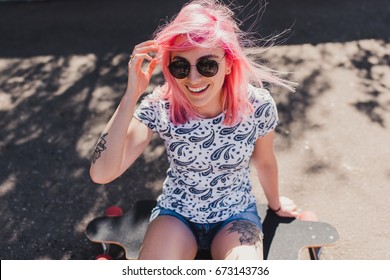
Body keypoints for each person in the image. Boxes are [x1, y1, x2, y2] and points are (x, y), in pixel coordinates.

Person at [90, 0, 298, 260]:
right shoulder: (161, 106)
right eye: (180, 66)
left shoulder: (258, 105)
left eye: (207, 64)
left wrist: (276, 206)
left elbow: (265, 161)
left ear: (229, 63)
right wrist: (131, 95)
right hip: (177, 215)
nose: (194, 78)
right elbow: (102, 173)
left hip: (235, 215)